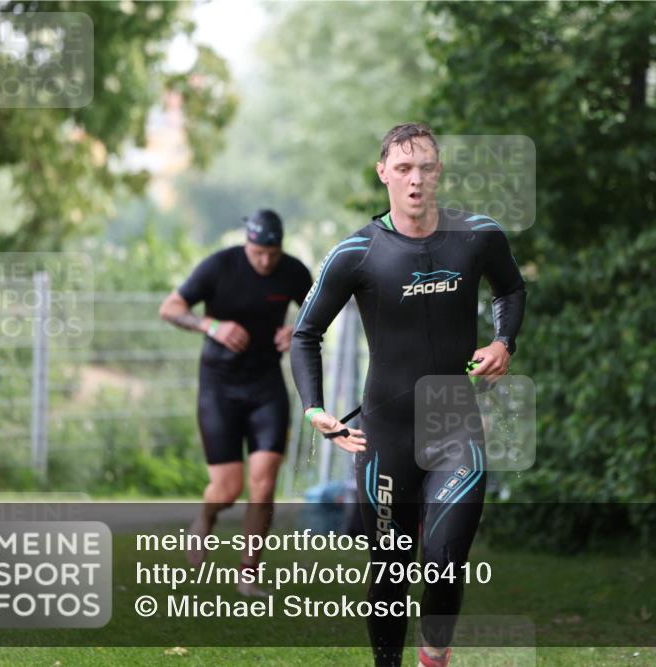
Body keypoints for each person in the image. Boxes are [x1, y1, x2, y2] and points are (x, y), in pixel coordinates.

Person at [291, 123, 526, 667]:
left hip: (455, 425)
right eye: (403, 168)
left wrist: (502, 341)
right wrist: (316, 409)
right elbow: (305, 334)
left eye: (425, 167)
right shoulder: (357, 252)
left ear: (438, 171)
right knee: (391, 573)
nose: (415, 179)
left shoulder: (478, 236)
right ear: (383, 175)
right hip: (386, 435)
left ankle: (434, 655)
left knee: (445, 559)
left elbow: (511, 288)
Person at [158, 209, 312, 596]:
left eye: (272, 253)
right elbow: (170, 308)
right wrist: (211, 325)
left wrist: (298, 330)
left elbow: (318, 311)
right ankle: (206, 516)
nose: (265, 260)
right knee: (227, 490)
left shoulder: (293, 272)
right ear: (247, 243)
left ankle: (248, 572)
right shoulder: (218, 267)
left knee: (263, 485)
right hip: (219, 387)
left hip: (266, 386)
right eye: (258, 252)